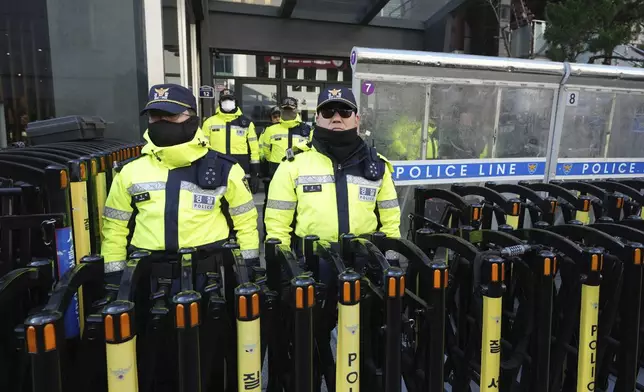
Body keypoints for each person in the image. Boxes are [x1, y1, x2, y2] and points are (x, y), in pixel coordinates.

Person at [101, 83, 260, 274]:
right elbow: (114, 230)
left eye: (171, 115)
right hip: (147, 274)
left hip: (209, 272)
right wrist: (115, 276)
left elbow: (246, 225)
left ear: (192, 119)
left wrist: (249, 270)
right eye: (155, 116)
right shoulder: (130, 171)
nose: (162, 121)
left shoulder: (226, 169)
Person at [264, 87, 401, 281]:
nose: (337, 118)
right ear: (317, 118)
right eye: (328, 112)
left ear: (357, 119)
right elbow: (277, 224)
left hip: (365, 265)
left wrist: (391, 261)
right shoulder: (293, 164)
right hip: (312, 266)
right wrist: (284, 268)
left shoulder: (377, 165)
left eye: (345, 112)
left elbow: (391, 220)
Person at [202, 89, 261, 192]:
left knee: (241, 201)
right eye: (224, 100)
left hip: (240, 167)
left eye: (230, 100)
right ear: (219, 102)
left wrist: (255, 172)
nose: (227, 103)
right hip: (216, 166)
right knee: (218, 201)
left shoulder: (246, 123)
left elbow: (254, 149)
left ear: (235, 102)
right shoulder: (209, 122)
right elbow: (203, 147)